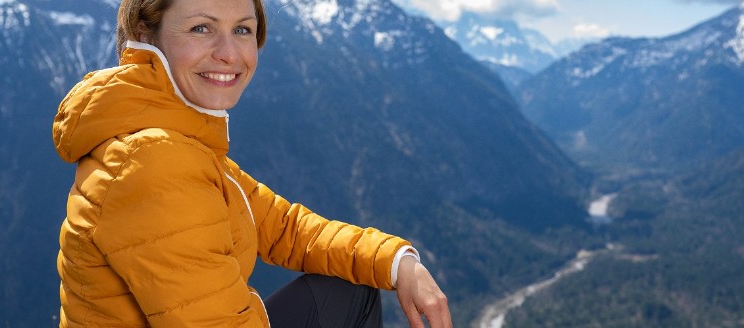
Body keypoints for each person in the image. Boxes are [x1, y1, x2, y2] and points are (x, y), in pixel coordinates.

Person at [51, 0, 450, 326]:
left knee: (350, 288)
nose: (229, 54)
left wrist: (398, 263)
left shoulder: (177, 136)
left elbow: (284, 229)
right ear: (145, 35)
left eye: (242, 29)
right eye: (201, 28)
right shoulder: (151, 161)